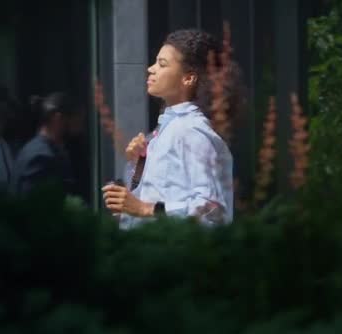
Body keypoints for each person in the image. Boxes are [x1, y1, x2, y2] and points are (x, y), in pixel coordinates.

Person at [102, 29, 239, 228]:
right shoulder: (167, 129)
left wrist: (144, 208)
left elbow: (212, 211)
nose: (151, 69)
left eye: (162, 64)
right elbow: (155, 197)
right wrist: (139, 165)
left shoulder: (191, 131)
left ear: (188, 78)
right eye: (155, 62)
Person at [11, 92, 82, 195]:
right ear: (57, 119)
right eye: (78, 120)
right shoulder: (40, 157)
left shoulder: (49, 151)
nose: (80, 128)